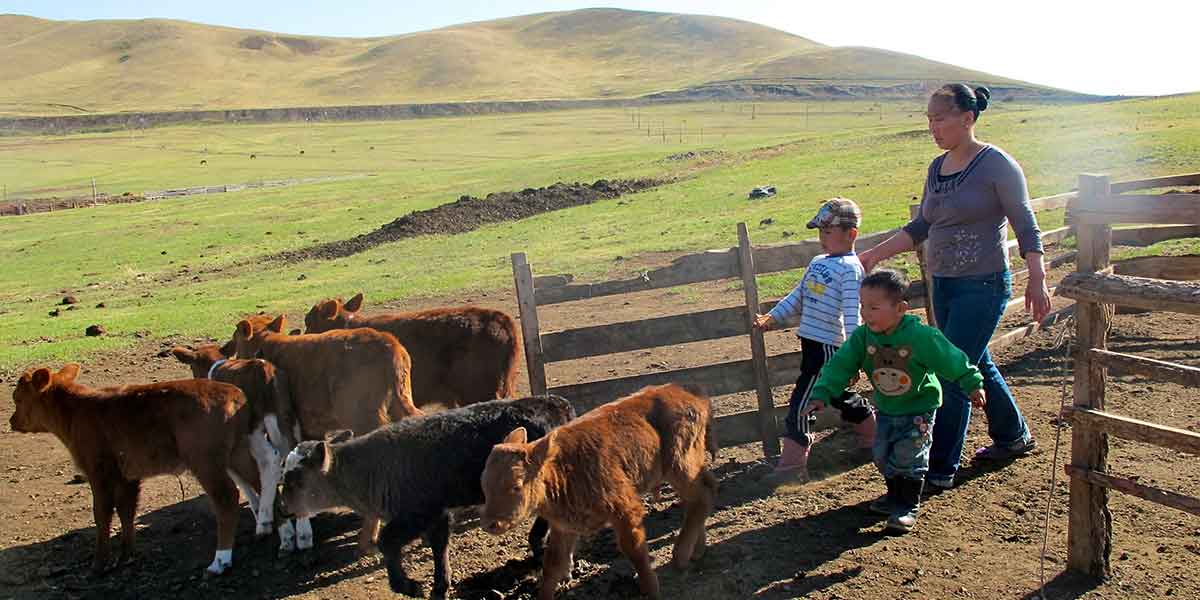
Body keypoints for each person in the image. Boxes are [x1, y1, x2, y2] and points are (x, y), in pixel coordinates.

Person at [857, 83, 1048, 491]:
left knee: (948, 370)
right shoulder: (936, 168)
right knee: (973, 362)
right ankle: (1014, 436)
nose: (933, 127)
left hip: (983, 284)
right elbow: (922, 226)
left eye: (940, 118)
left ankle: (939, 469)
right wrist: (875, 254)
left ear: (967, 118)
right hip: (943, 285)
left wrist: (1038, 276)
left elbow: (1025, 223)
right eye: (929, 119)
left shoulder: (997, 165)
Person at [804, 270, 985, 533]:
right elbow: (840, 364)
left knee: (909, 457)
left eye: (874, 307)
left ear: (900, 309)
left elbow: (951, 358)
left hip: (918, 409)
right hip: (887, 408)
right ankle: (894, 496)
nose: (866, 313)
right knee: (882, 455)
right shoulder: (863, 337)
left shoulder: (920, 337)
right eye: (863, 306)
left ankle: (907, 506)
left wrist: (972, 382)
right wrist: (822, 392)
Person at [753, 197, 874, 481]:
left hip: (829, 349)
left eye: (827, 232)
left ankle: (792, 467)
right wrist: (773, 316)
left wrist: (853, 357)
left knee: (802, 403)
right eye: (820, 232)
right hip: (811, 345)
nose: (822, 238)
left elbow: (852, 315)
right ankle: (874, 437)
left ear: (851, 234)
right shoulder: (818, 261)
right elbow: (798, 295)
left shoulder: (851, 269)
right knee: (839, 395)